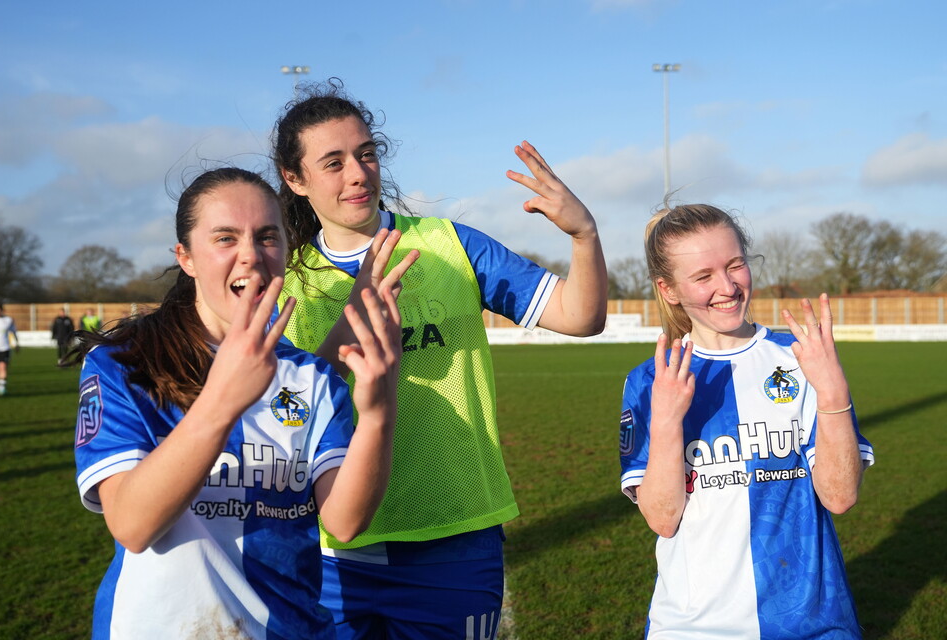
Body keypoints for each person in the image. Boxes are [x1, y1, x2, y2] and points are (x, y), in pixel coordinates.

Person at [272, 79, 608, 639]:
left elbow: (581, 316)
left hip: (455, 536)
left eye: (366, 154)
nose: (358, 173)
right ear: (295, 179)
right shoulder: (288, 282)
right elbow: (285, 411)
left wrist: (584, 235)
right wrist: (351, 327)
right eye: (333, 163)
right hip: (333, 550)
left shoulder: (451, 244)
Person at [71, 167, 402, 639]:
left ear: (286, 252)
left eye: (267, 237)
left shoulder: (311, 376)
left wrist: (376, 414)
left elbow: (344, 522)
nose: (251, 256)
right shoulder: (124, 362)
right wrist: (222, 401)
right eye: (225, 238)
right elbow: (132, 524)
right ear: (186, 257)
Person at [618, 203, 874, 639]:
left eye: (735, 265)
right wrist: (666, 422)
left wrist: (833, 393)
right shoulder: (650, 380)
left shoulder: (797, 359)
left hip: (809, 624)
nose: (727, 286)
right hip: (692, 627)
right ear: (669, 289)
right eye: (703, 276)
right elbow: (663, 519)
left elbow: (840, 495)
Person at [0, 302, 19, 396]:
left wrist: (16, 344)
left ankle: (2, 388)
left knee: (3, 367)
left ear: (2, 310)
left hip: (4, 348)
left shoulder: (8, 320)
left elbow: (13, 332)